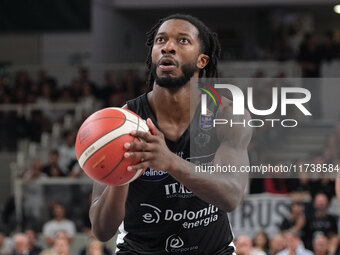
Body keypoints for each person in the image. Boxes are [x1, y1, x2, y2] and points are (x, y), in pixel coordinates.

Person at [90, 14, 251, 254]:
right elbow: (102, 230)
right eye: (160, 40)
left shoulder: (226, 114)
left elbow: (231, 196)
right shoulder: (122, 124)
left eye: (183, 41)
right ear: (153, 54)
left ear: (202, 60)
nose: (168, 47)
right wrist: (122, 175)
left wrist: (170, 162)